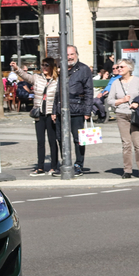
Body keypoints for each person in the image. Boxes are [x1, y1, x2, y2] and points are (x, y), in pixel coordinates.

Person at [11, 59, 59, 176]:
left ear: (52, 66)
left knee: (53, 141)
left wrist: (56, 112)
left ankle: (54, 166)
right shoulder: (38, 78)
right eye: (42, 65)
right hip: (39, 114)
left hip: (51, 114)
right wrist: (17, 69)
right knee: (40, 142)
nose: (44, 67)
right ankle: (40, 167)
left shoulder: (57, 81)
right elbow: (26, 77)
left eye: (46, 65)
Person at [52, 45, 93, 177]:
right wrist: (54, 110)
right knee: (60, 138)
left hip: (77, 109)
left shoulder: (84, 69)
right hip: (60, 111)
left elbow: (89, 91)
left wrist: (87, 111)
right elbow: (57, 92)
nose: (69, 57)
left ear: (76, 54)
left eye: (72, 54)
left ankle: (78, 164)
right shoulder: (61, 69)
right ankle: (66, 163)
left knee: (78, 139)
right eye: (67, 55)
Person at [106, 59, 139, 178]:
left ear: (129, 68)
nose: (119, 69)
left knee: (138, 143)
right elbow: (109, 100)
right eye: (118, 67)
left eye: (122, 67)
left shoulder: (138, 81)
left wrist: (137, 104)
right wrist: (121, 101)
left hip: (135, 115)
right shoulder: (115, 83)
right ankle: (127, 170)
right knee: (126, 144)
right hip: (121, 114)